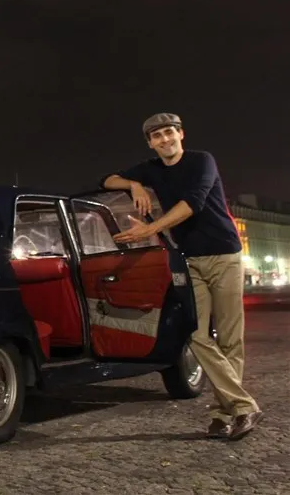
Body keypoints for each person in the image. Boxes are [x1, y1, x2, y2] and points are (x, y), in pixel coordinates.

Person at [101, 112, 263, 440]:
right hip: (191, 261)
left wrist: (150, 229)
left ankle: (222, 413)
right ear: (150, 142)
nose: (164, 139)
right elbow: (107, 181)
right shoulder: (150, 168)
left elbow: (192, 204)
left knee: (231, 338)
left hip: (225, 256)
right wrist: (134, 183)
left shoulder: (203, 161)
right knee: (196, 334)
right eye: (157, 136)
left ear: (181, 134)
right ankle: (243, 406)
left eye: (169, 133)